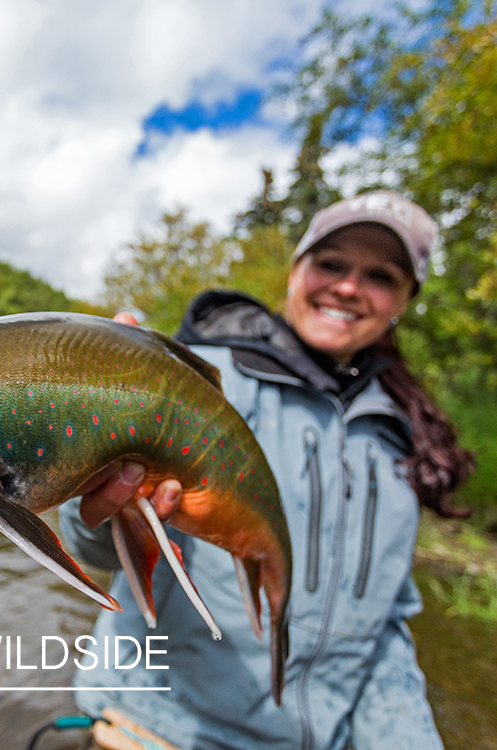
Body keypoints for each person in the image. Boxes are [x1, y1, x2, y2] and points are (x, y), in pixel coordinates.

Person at [59, 191, 475, 749]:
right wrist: (90, 489)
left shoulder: (400, 436)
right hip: (150, 731)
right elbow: (91, 549)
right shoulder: (198, 379)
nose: (348, 286)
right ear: (295, 273)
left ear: (403, 301)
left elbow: (383, 633)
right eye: (331, 264)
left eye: (380, 275)